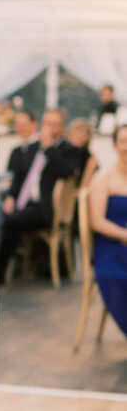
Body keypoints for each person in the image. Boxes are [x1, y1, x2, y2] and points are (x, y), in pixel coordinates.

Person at [0, 109, 81, 283]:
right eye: (46, 123)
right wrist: (11, 196)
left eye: (53, 124)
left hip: (45, 208)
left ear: (61, 128)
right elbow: (19, 176)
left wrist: (49, 148)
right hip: (23, 203)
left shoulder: (69, 150)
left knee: (11, 221)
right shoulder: (34, 148)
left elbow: (67, 172)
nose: (48, 128)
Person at [89, 124, 127, 337]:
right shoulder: (103, 177)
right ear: (114, 145)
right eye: (123, 141)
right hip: (110, 248)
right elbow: (97, 222)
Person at [67, 118, 99, 190]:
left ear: (88, 137)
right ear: (70, 134)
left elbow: (86, 185)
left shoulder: (90, 159)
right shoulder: (62, 153)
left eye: (83, 132)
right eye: (76, 131)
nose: (79, 135)